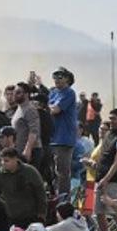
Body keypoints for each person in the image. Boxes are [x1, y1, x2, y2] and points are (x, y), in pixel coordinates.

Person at [90, 108, 117, 231]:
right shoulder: (109, 135)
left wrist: (106, 179)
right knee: (99, 212)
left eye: (114, 118)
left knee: (114, 211)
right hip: (101, 178)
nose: (111, 121)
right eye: (110, 118)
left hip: (112, 181)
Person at [47, 67, 78, 197]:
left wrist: (44, 106)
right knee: (52, 173)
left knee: (62, 173)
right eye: (55, 77)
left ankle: (63, 200)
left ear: (67, 79)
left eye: (61, 77)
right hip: (52, 138)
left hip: (64, 139)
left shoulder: (69, 93)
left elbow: (56, 109)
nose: (57, 80)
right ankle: (54, 197)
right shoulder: (53, 92)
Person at [10, 82, 43, 173]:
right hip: (20, 151)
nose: (15, 95)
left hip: (31, 151)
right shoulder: (19, 109)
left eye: (18, 92)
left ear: (26, 94)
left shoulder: (30, 109)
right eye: (14, 93)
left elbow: (34, 131)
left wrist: (28, 149)